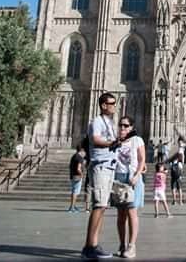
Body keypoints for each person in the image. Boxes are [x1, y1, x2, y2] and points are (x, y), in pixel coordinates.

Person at [81, 92, 118, 260]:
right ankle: (90, 246)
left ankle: (94, 244)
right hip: (100, 166)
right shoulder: (97, 121)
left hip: (109, 166)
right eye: (112, 103)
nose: (114, 106)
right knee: (99, 205)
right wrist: (112, 142)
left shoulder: (109, 123)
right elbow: (95, 139)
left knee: (102, 206)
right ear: (103, 105)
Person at [114, 115, 146, 259]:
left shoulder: (137, 140)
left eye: (126, 125)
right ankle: (122, 244)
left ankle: (131, 246)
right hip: (118, 179)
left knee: (132, 212)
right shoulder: (116, 142)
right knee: (121, 215)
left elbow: (142, 159)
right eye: (121, 125)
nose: (122, 128)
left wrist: (138, 174)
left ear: (131, 127)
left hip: (132, 178)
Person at [68, 143, 86, 212]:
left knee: (74, 191)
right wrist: (82, 174)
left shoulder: (74, 156)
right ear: (81, 150)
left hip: (72, 175)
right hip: (77, 176)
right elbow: (78, 168)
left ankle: (73, 205)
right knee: (75, 192)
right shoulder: (80, 158)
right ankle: (72, 207)